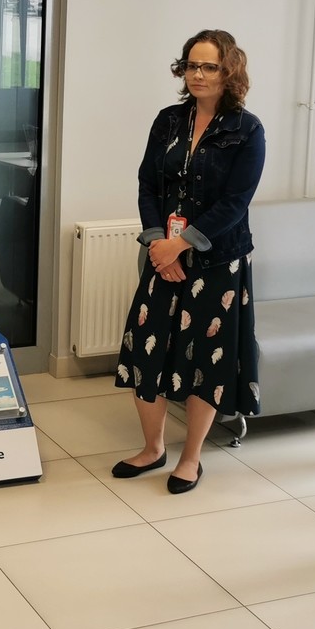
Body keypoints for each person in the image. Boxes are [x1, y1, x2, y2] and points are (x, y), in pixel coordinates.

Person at [111, 29, 264, 495]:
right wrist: (159, 242)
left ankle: (191, 457)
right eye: (191, 65)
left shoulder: (247, 129)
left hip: (217, 260)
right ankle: (152, 448)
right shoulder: (169, 120)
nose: (198, 74)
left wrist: (182, 245)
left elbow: (236, 202)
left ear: (229, 71)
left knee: (205, 359)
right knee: (147, 350)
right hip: (163, 255)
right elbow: (147, 184)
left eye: (209, 67)